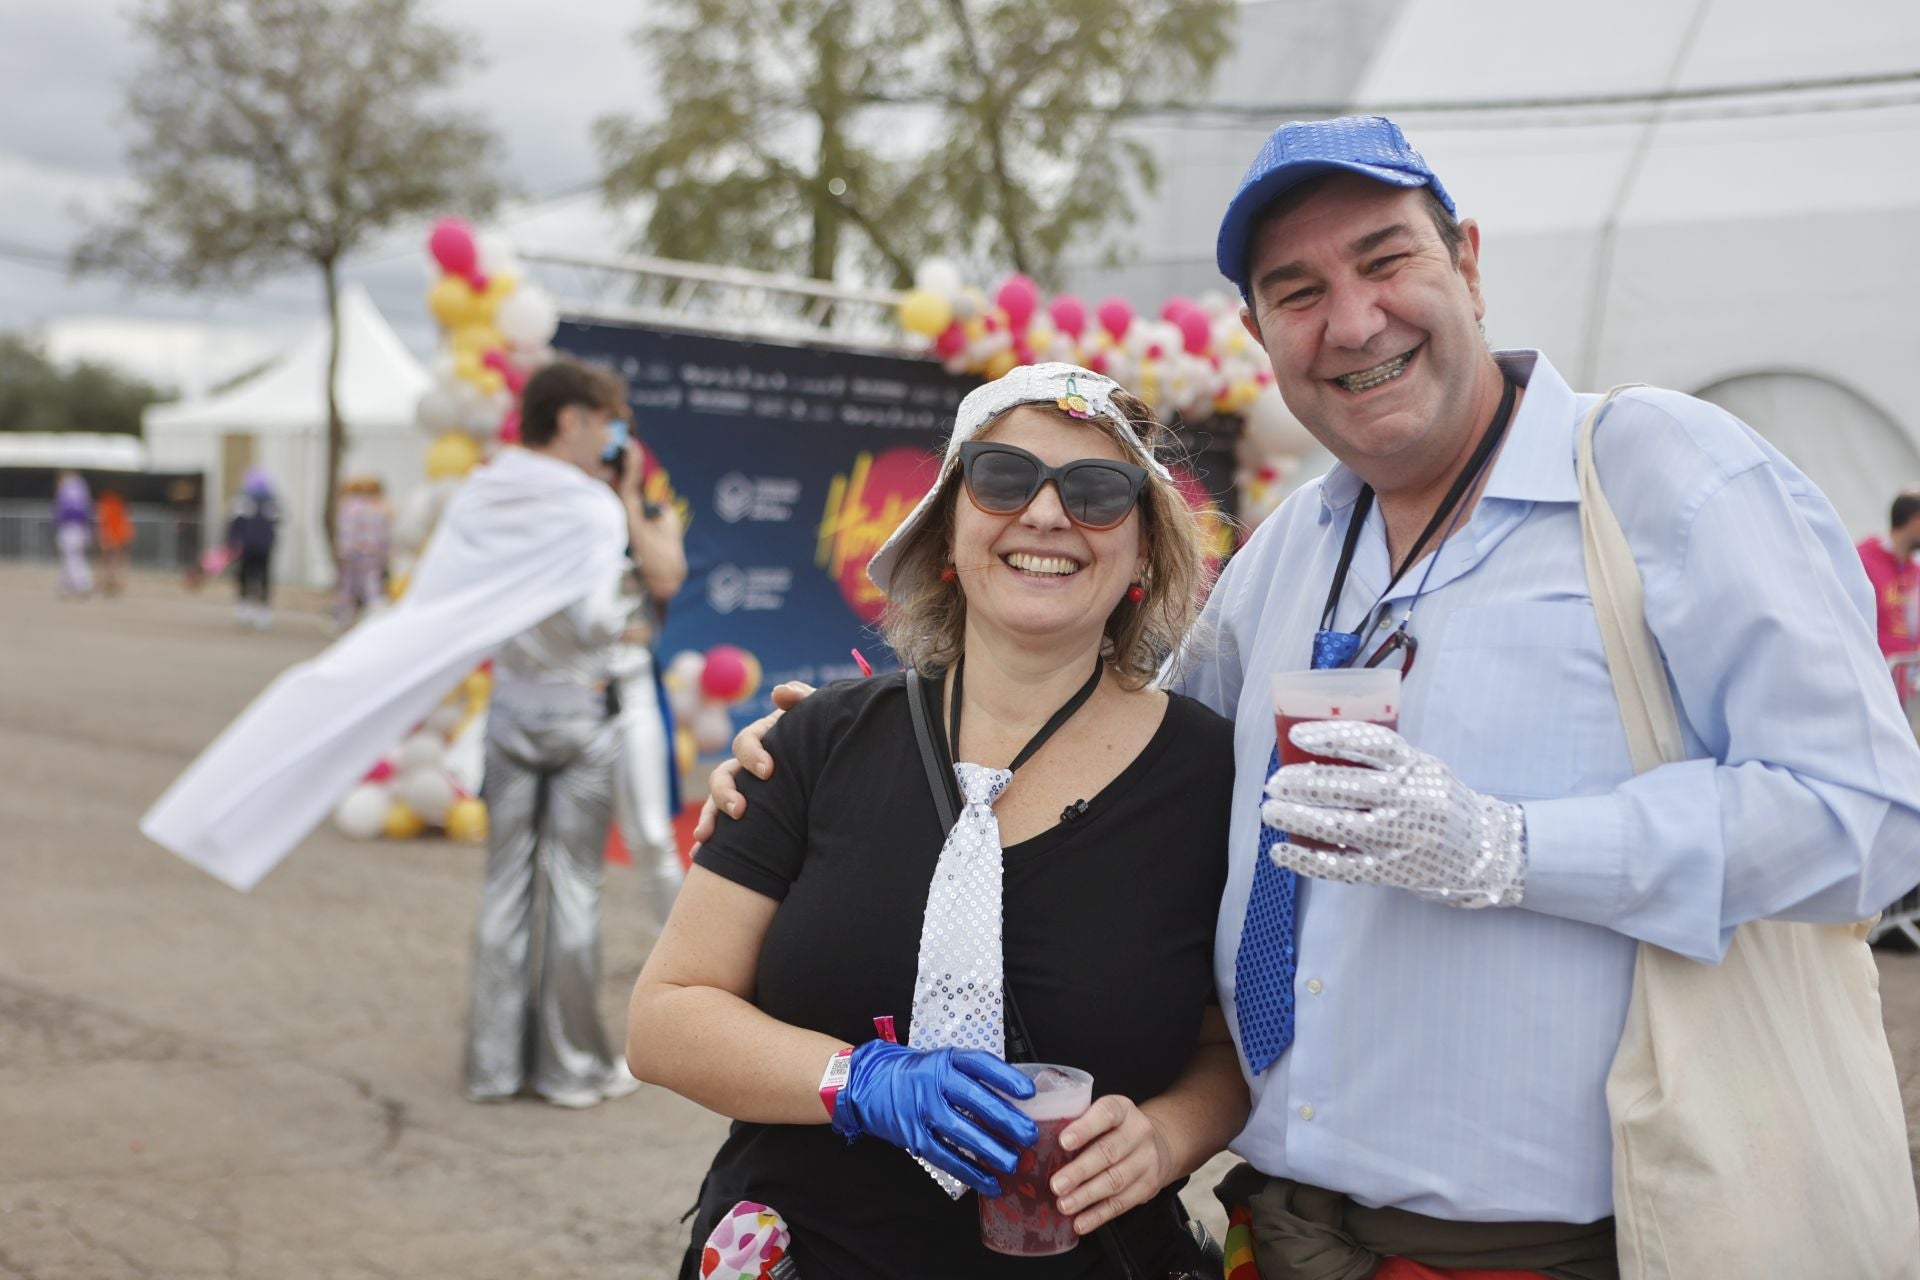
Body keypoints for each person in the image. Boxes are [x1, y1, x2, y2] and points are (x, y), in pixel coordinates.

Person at [710, 118, 1920, 1277]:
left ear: (1470, 262)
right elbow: (1107, 741)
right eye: (1297, 292)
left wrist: (1511, 844)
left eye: (1385, 259)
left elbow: (1870, 816)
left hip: (1559, 1252)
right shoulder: (1298, 549)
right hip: (1282, 1236)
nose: (1352, 320)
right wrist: (830, 744)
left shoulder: (1659, 474)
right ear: (1260, 332)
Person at [630, 363, 1248, 1278]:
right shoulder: (813, 743)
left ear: (1147, 552)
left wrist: (1164, 1136)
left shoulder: (1213, 776)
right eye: (1003, 477)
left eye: (1096, 491)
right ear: (948, 531)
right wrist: (859, 1081)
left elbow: (1233, 1046)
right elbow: (665, 1018)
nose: (1045, 515)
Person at [466, 360, 687, 1109]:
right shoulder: (577, 510)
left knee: (508, 890)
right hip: (577, 706)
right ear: (574, 421)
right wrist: (616, 625)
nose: (612, 436)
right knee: (571, 889)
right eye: (605, 421)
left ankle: (493, 1064)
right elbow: (603, 616)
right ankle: (567, 1065)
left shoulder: (496, 489)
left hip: (515, 707)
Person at [1857, 487, 1920, 704]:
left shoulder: (1915, 571)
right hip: (1872, 687)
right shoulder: (1862, 561)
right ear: (1915, 521)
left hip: (1905, 690)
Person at [332, 476, 393, 632]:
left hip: (354, 552)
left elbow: (347, 532)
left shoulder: (350, 507)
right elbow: (384, 534)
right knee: (372, 585)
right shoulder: (379, 508)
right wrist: (385, 554)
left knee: (347, 587)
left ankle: (342, 618)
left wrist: (343, 551)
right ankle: (377, 617)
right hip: (373, 553)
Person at [227, 468, 280, 630]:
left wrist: (232, 542)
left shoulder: (244, 500)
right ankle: (258, 611)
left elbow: (234, 524)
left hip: (250, 547)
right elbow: (278, 522)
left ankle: (249, 609)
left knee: (248, 576)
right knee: (260, 577)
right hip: (261, 547)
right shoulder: (269, 501)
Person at [52, 471, 94, 599]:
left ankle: (82, 584)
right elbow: (87, 510)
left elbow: (61, 511)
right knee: (74, 558)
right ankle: (69, 586)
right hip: (81, 528)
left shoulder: (67, 488)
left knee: (72, 558)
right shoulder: (82, 487)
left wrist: (56, 524)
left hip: (69, 529)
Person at [95, 488, 133, 597]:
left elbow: (106, 523)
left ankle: (111, 584)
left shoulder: (108, 504)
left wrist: (106, 538)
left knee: (110, 562)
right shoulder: (117, 505)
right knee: (115, 561)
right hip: (118, 536)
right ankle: (113, 584)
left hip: (114, 536)